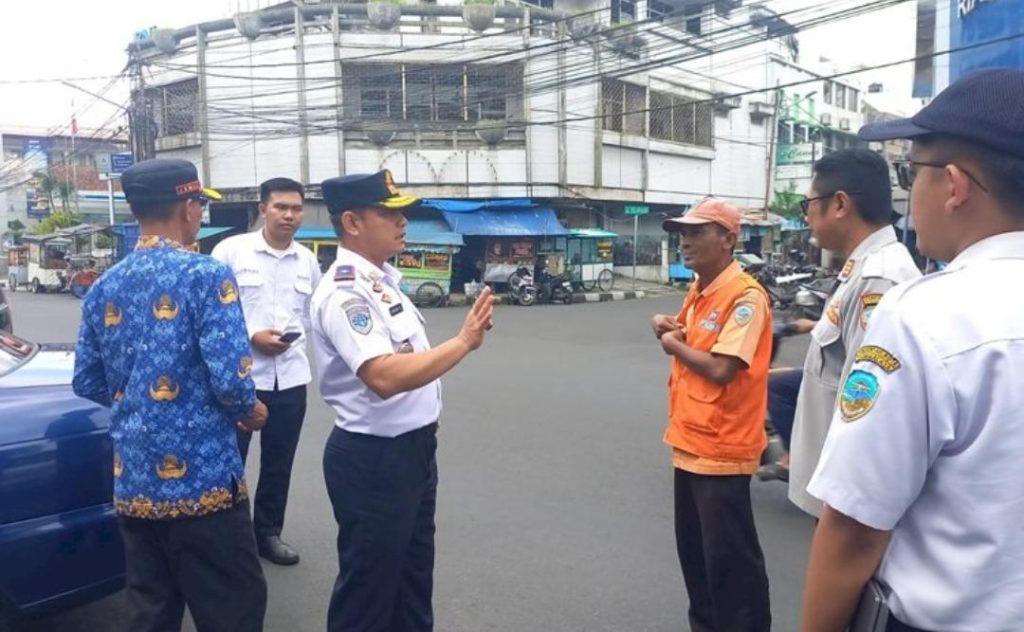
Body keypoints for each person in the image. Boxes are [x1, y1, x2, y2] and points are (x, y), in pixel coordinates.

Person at [801, 68, 1024, 632]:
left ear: (954, 185)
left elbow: (854, 528)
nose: (906, 193)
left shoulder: (926, 315)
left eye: (910, 170)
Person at [72, 158, 268, 632]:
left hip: (135, 484)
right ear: (185, 206)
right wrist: (251, 410)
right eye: (198, 204)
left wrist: (138, 402)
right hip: (203, 490)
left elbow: (87, 380)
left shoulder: (103, 287)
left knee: (151, 611)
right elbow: (231, 380)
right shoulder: (206, 276)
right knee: (232, 609)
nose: (199, 213)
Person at [311, 170, 494, 632]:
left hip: (410, 451)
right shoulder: (345, 291)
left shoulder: (384, 281)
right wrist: (464, 342)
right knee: (368, 593)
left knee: (412, 581)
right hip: (374, 461)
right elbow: (383, 376)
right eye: (388, 213)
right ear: (352, 222)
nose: (402, 221)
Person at [651, 199, 773, 632]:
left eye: (697, 232)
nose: (685, 241)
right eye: (682, 232)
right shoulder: (701, 289)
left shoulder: (745, 297)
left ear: (728, 239)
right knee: (697, 560)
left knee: (731, 566)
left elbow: (722, 368)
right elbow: (688, 333)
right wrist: (666, 325)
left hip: (722, 450)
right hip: (690, 443)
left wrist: (675, 346)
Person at [782, 149, 921, 510]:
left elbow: (866, 409)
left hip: (842, 496)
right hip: (830, 485)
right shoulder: (860, 269)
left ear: (840, 204)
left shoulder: (879, 278)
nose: (807, 215)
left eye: (809, 203)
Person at [211, 177, 322, 566]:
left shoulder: (307, 260)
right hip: (241, 380)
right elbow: (212, 316)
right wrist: (250, 336)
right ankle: (225, 539)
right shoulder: (231, 251)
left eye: (295, 208)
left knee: (280, 462)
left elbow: (312, 317)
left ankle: (268, 533)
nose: (289, 215)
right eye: (280, 207)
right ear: (262, 208)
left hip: (290, 378)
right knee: (229, 461)